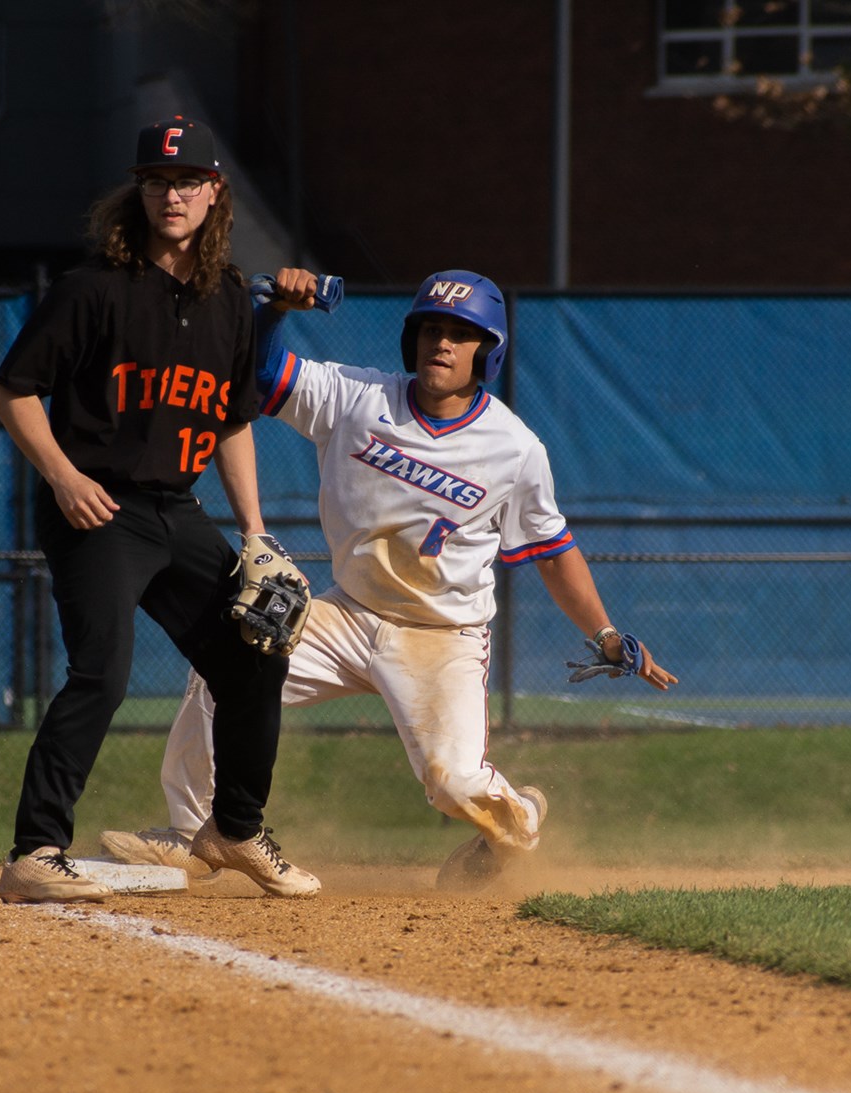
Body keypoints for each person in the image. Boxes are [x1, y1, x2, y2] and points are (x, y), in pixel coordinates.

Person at [102, 267, 677, 891]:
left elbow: (553, 550)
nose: (443, 343)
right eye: (432, 328)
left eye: (462, 333)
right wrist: (274, 313)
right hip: (347, 612)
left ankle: (521, 820)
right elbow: (261, 379)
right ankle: (193, 832)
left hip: (442, 634)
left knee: (453, 782)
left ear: (488, 350)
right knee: (225, 665)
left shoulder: (514, 448)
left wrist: (608, 632)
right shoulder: (357, 396)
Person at [0, 117, 319, 903]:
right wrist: (63, 477)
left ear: (215, 194)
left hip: (179, 512)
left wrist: (255, 531)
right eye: (156, 180)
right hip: (97, 509)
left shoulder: (231, 299)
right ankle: (34, 852)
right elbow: (13, 388)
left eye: (187, 181)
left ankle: (234, 828)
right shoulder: (92, 289)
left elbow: (231, 419)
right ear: (137, 193)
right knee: (102, 673)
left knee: (254, 659)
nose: (171, 194)